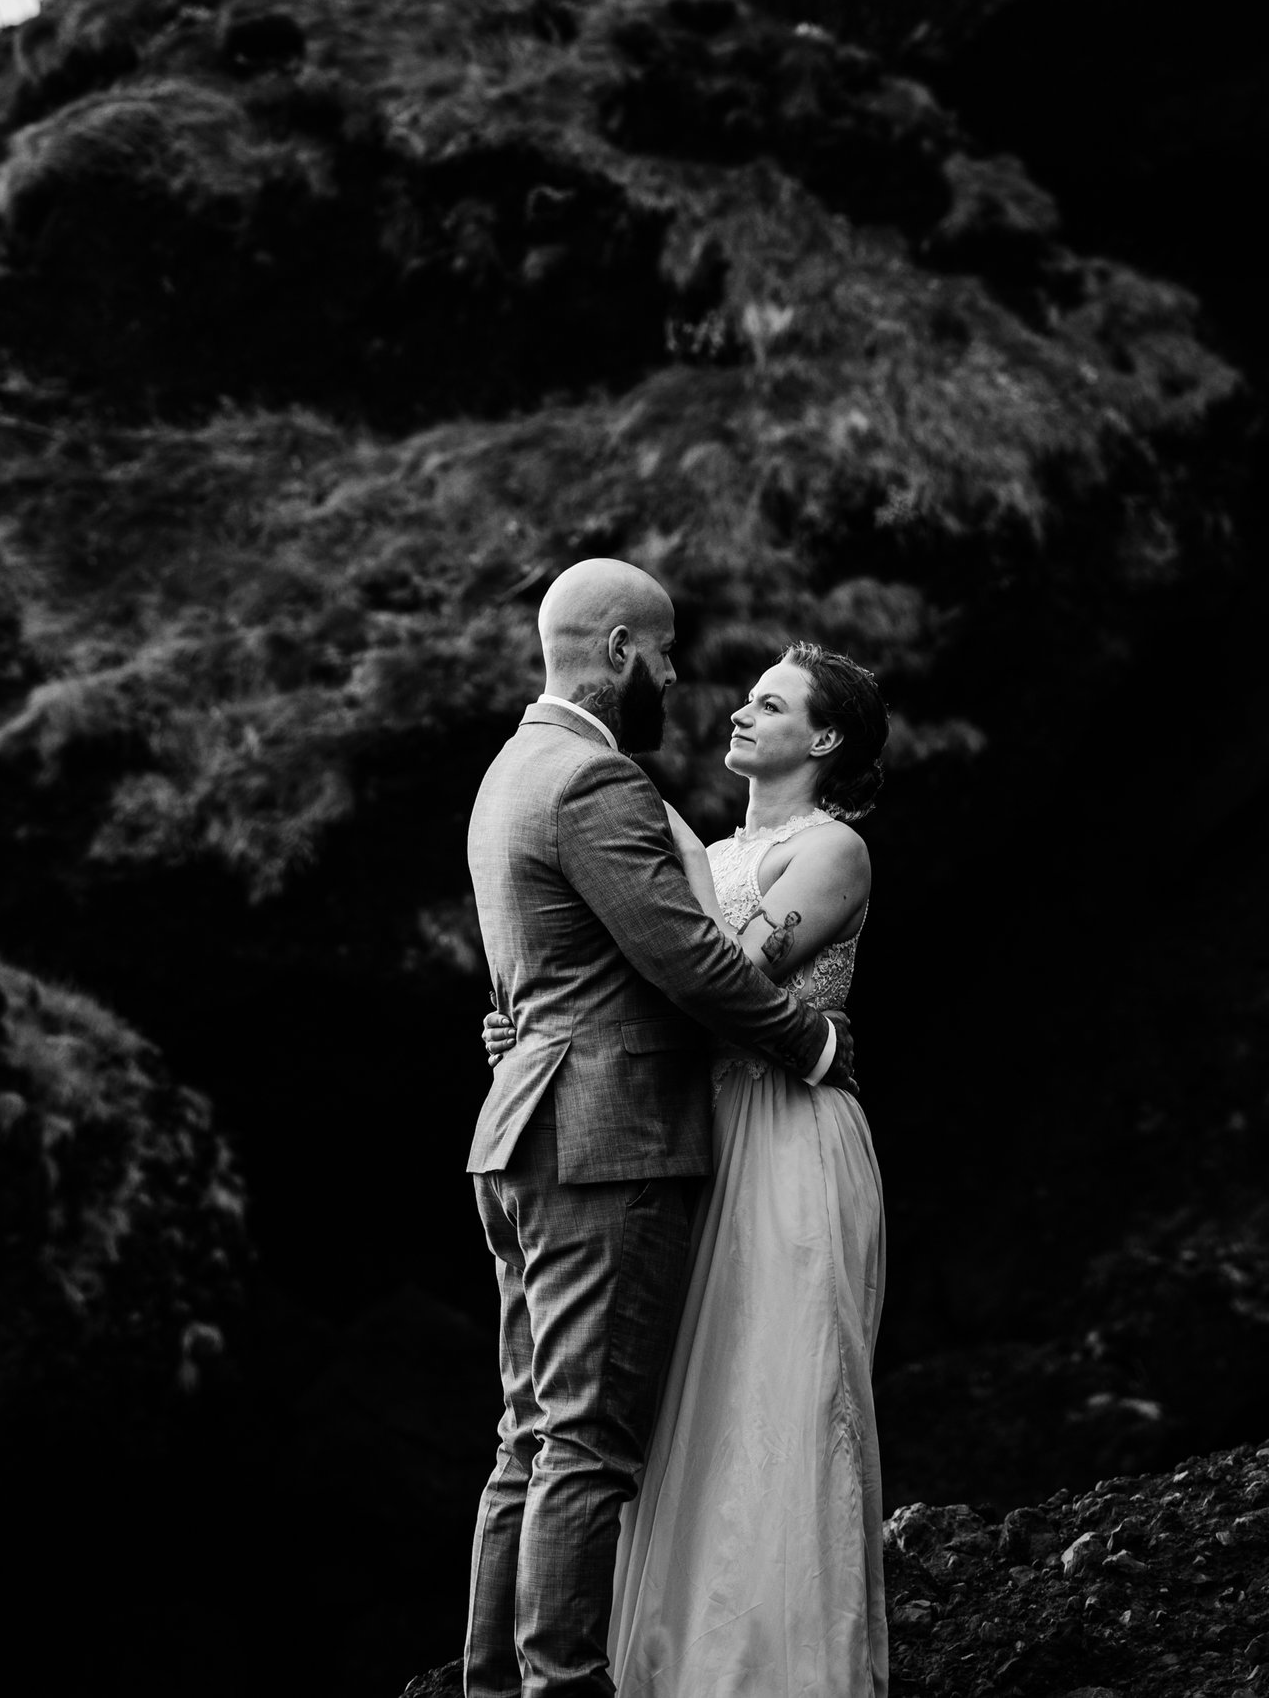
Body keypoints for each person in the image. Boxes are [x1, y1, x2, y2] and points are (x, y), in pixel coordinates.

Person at [462, 562, 860, 1698]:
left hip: (522, 1129)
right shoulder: (593, 779)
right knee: (582, 1446)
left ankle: (495, 1685)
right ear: (623, 648)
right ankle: (562, 1687)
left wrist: (521, 1032)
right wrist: (812, 1045)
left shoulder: (509, 773)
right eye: (670, 651)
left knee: (525, 1441)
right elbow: (683, 958)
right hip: (604, 1138)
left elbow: (532, 969)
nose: (683, 677)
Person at [601, 639, 891, 1698]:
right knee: (692, 1391)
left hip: (785, 1138)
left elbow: (725, 972)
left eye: (769, 704)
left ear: (821, 738)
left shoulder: (833, 851)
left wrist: (654, 836)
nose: (738, 713)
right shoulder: (719, 851)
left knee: (778, 1386)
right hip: (701, 1134)